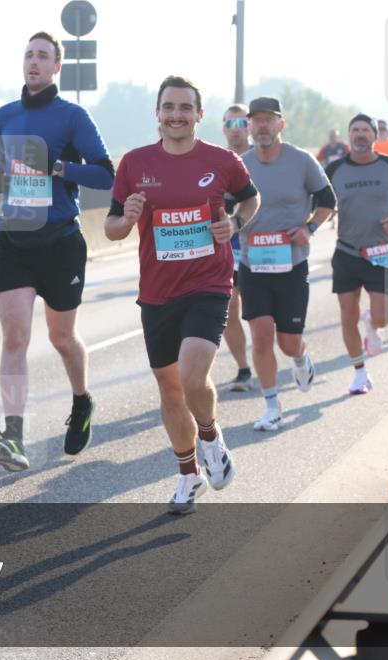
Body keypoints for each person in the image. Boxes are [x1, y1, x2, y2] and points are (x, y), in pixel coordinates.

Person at [105, 76, 260, 513]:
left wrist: (235, 224)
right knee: (171, 390)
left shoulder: (223, 160)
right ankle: (189, 474)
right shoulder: (134, 164)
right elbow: (112, 229)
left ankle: (210, 437)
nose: (176, 115)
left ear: (199, 115)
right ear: (157, 113)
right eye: (168, 107)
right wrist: (127, 217)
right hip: (157, 292)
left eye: (185, 108)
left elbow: (250, 200)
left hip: (209, 283)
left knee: (193, 376)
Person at [0, 31, 114, 472]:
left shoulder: (72, 117)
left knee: (61, 338)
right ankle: (14, 436)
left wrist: (58, 167)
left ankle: (81, 401)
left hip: (59, 242)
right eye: (28, 56)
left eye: (42, 56)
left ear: (57, 66)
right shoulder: (5, 115)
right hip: (14, 241)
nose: (33, 62)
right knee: (15, 336)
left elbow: (105, 174)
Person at [239, 97, 336, 431]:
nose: (262, 126)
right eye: (257, 120)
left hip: (291, 265)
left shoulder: (301, 160)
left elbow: (328, 200)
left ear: (280, 124)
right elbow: (223, 204)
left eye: (269, 120)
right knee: (262, 335)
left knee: (288, 341)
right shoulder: (240, 163)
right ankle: (271, 406)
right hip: (253, 265)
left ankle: (300, 358)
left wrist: (308, 228)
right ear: (249, 126)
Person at [326, 114, 388, 394]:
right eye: (355, 130)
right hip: (347, 251)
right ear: (349, 136)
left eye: (365, 130)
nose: (360, 134)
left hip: (381, 251)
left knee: (382, 318)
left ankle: (372, 327)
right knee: (347, 315)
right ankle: (359, 373)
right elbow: (319, 199)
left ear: (375, 136)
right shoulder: (335, 168)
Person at [221, 103, 254, 391]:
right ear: (223, 129)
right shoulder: (217, 161)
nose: (236, 130)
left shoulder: (265, 157)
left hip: (265, 244)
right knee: (230, 306)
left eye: (241, 123)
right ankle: (244, 368)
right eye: (230, 124)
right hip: (231, 245)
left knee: (262, 311)